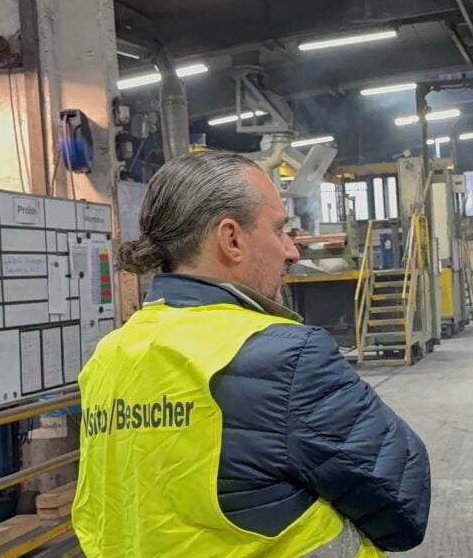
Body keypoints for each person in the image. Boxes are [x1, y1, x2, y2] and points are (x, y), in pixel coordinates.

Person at [72, 151, 430, 557]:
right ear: (231, 239)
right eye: (279, 229)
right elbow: (405, 504)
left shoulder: (108, 358)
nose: (292, 251)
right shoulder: (285, 355)